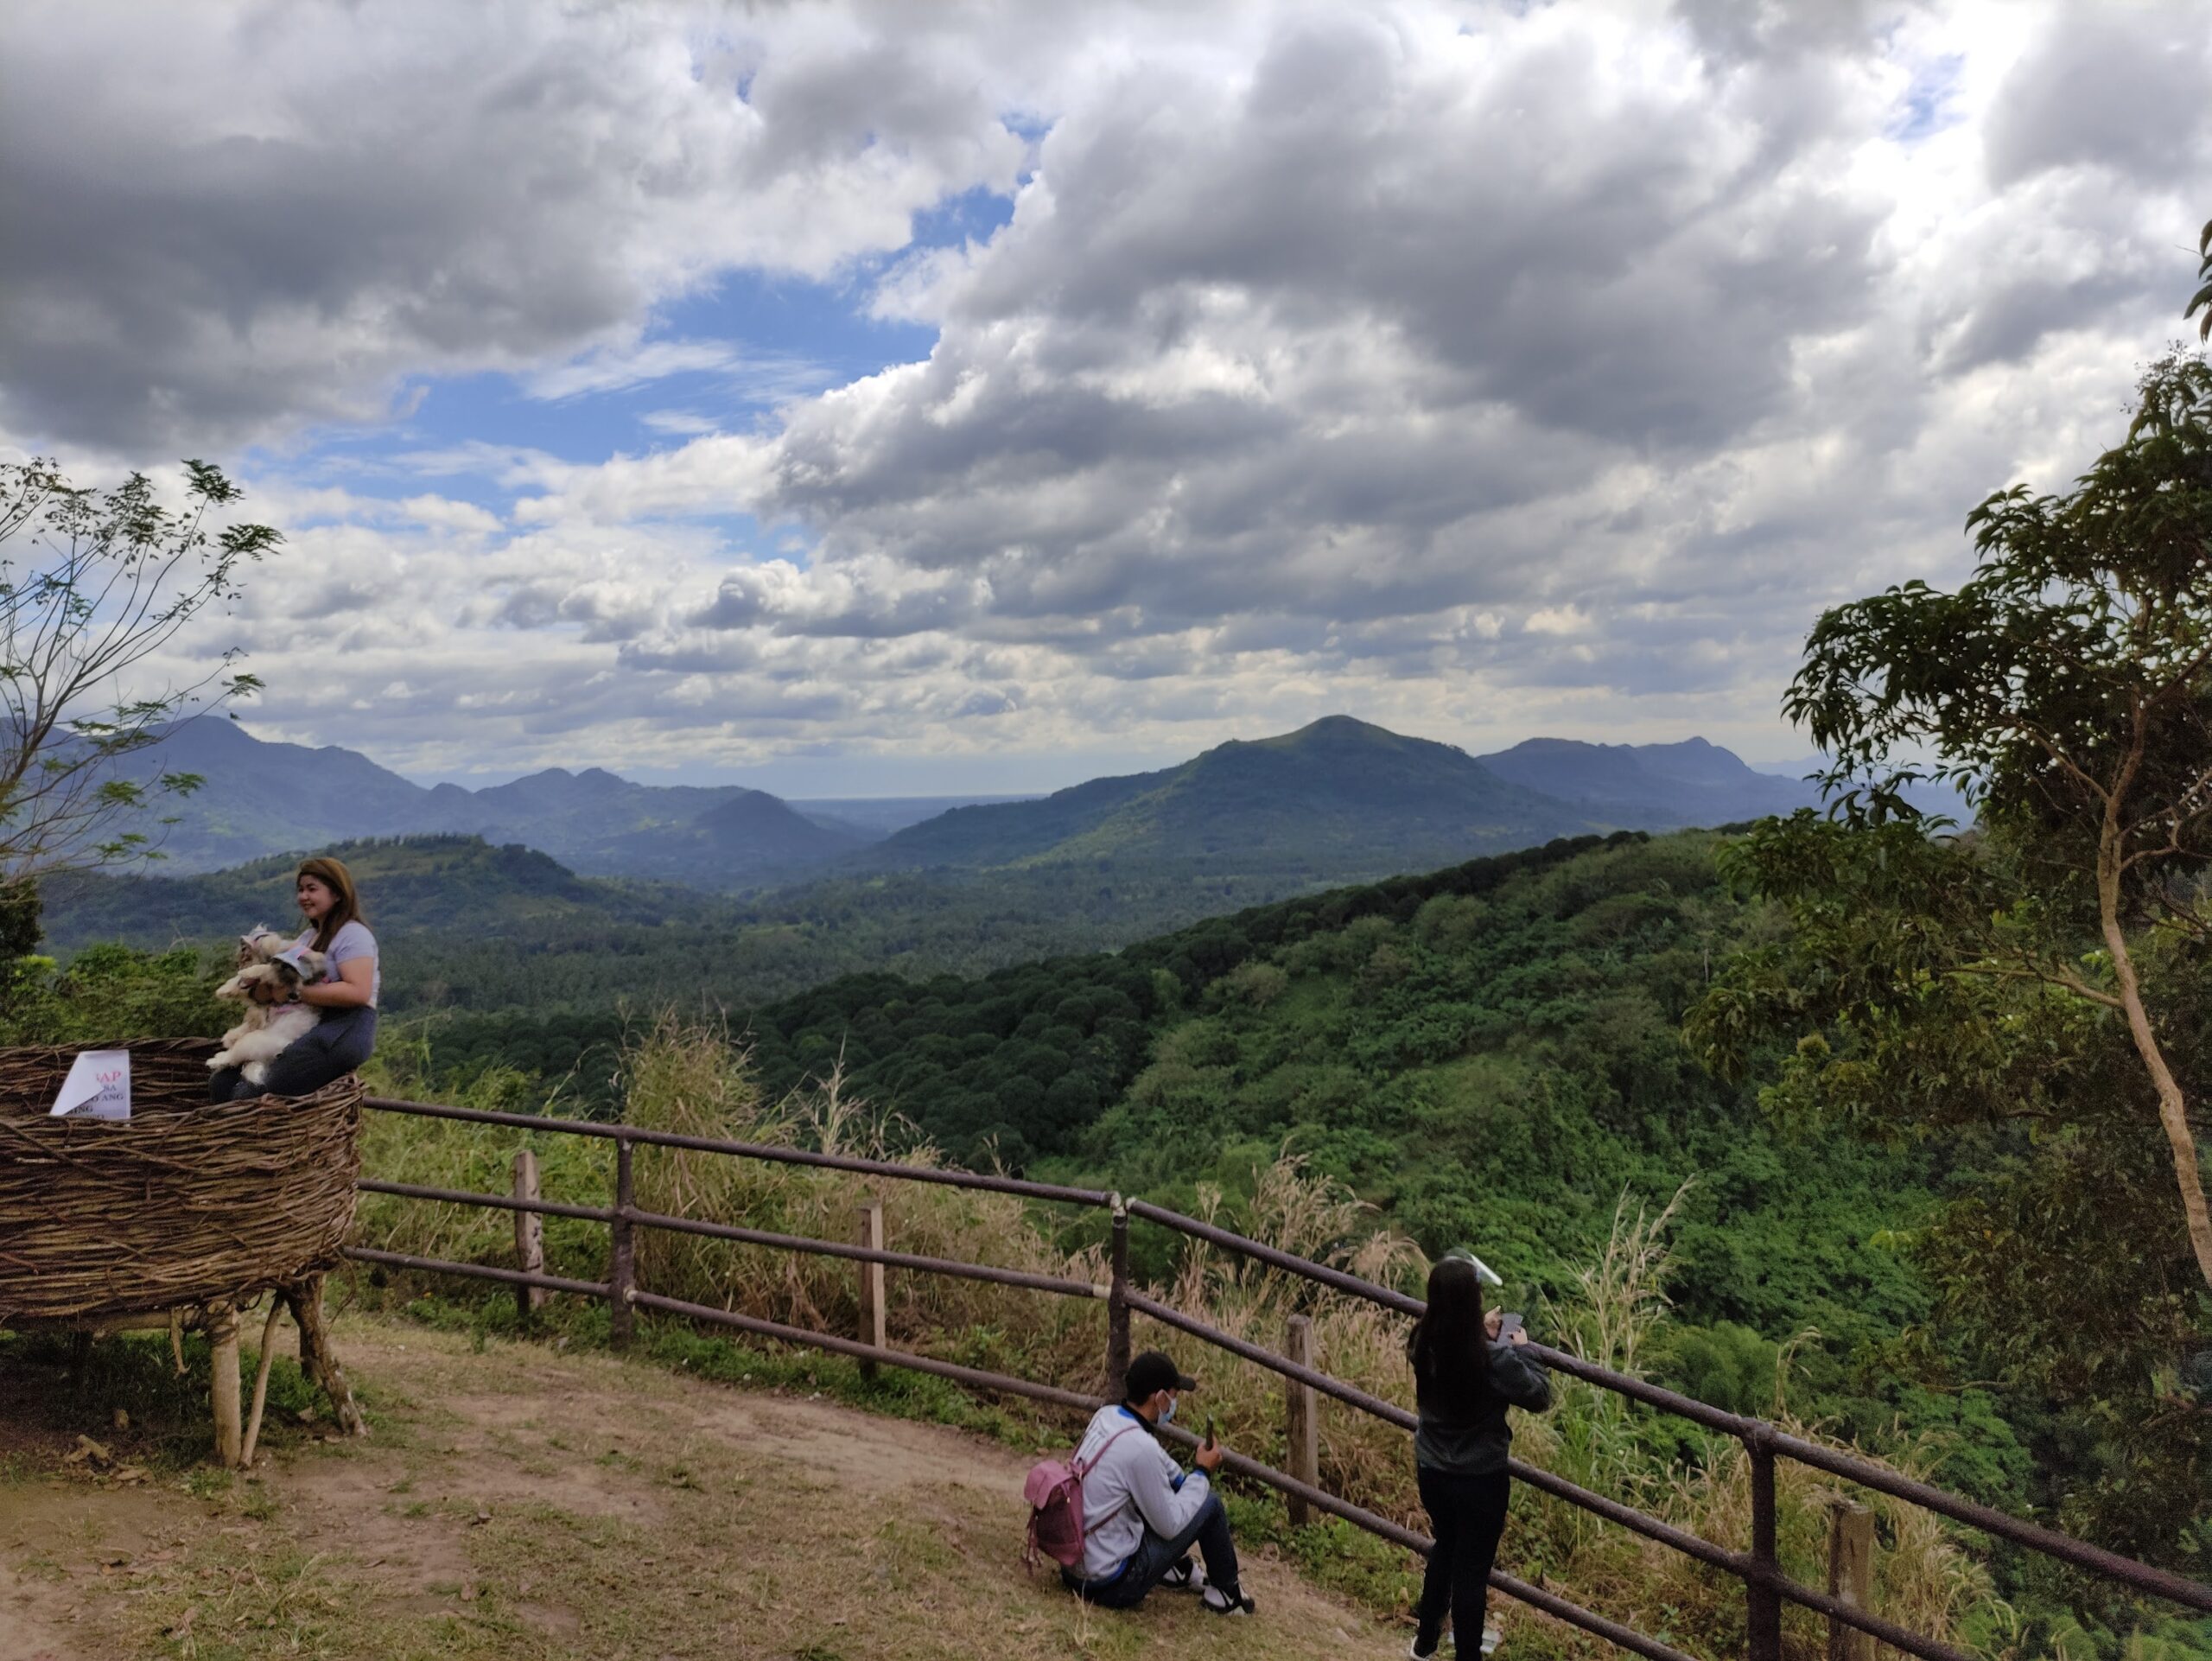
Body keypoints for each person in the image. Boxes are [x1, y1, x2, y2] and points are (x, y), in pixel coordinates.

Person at [1407, 1252, 1551, 1659]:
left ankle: (1425, 1644)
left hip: (1432, 1469)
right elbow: (1538, 1395)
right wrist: (1521, 1348)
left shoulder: (1422, 1342)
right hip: (1479, 1480)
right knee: (1471, 1572)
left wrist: (1477, 1331)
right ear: (1474, 1303)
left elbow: (1450, 1342)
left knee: (1445, 1548)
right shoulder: (1493, 1358)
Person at [1062, 1349, 1256, 1616]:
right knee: (1209, 1504)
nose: (1174, 1405)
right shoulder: (1141, 1448)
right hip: (1110, 1585)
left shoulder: (1107, 1416)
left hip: (1074, 1565)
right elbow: (1170, 1526)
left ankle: (1176, 1569)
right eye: (1174, 1396)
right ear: (1161, 1398)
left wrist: (1187, 1479)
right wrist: (1202, 1472)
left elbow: (1164, 1468)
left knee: (1168, 1496)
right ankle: (1226, 1593)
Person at [210, 856, 379, 1102]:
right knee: (222, 1083)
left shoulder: (353, 935)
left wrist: (294, 993)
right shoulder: (308, 937)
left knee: (251, 1093)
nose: (303, 897)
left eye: (312, 889)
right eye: (301, 890)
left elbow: (358, 992)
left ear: (338, 894)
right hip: (304, 1024)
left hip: (343, 1030)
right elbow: (274, 989)